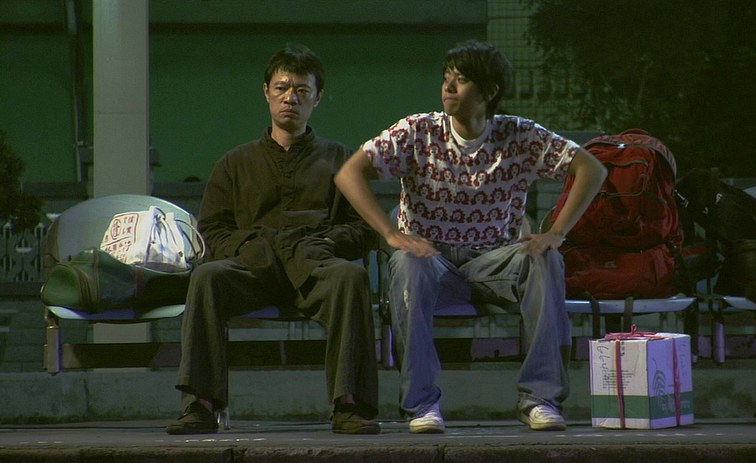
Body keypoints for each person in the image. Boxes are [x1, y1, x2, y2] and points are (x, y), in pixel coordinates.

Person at [334, 40, 606, 433]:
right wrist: (390, 232)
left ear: (489, 91)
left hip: (494, 263)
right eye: (446, 78)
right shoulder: (418, 131)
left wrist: (556, 232)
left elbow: (591, 169)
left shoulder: (519, 135)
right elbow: (349, 173)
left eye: (460, 80)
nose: (448, 87)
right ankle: (422, 405)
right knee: (407, 264)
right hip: (432, 262)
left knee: (546, 259)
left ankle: (540, 398)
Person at [166, 44, 381, 435]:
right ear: (266, 92)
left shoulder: (340, 160)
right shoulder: (235, 163)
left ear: (317, 97)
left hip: (315, 266)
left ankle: (349, 404)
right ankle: (200, 404)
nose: (290, 98)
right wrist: (249, 248)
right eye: (282, 88)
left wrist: (328, 244)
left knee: (351, 278)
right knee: (207, 277)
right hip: (253, 268)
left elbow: (364, 227)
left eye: (302, 90)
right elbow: (212, 228)